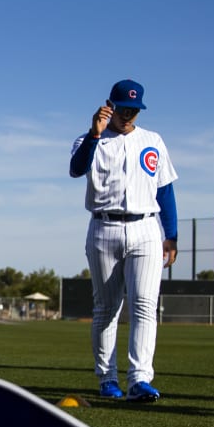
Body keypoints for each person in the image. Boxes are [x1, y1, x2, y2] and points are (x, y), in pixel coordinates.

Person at [70, 80, 178, 402]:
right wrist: (94, 133)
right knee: (106, 308)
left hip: (146, 228)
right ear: (109, 105)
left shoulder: (153, 140)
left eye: (134, 109)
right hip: (104, 228)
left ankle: (140, 379)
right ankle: (107, 378)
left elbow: (165, 191)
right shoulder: (91, 139)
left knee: (145, 306)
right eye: (122, 108)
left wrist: (171, 235)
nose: (128, 114)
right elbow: (76, 169)